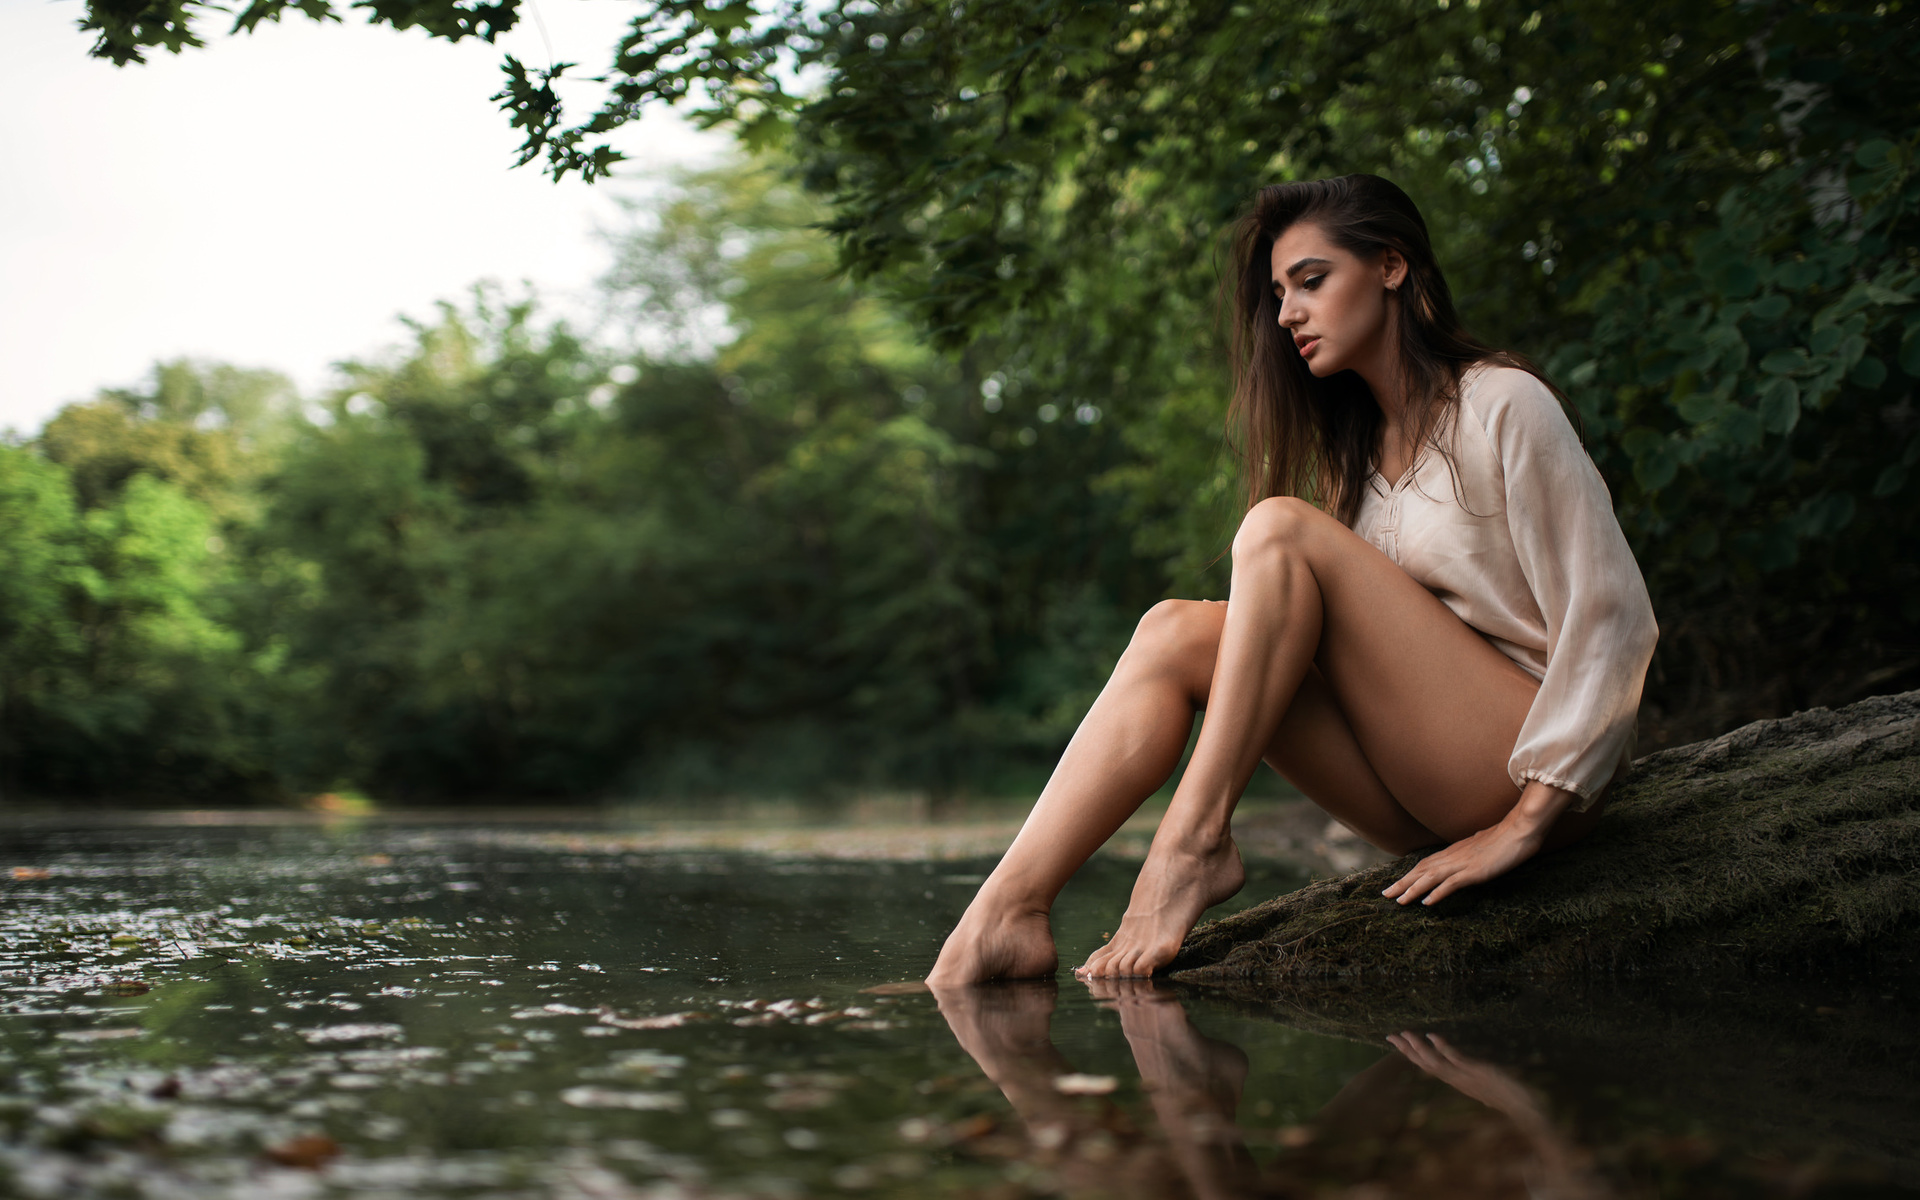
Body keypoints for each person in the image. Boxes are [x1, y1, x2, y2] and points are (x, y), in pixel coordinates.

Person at [926, 173, 1658, 984]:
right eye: (1278, 294)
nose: (1286, 315)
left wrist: (1525, 823)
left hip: (1528, 770)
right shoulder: (1360, 465)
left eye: (1311, 281)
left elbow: (1613, 617)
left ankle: (1191, 843)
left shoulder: (1502, 401)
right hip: (1419, 792)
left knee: (1278, 526)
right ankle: (1005, 912)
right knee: (1175, 631)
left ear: (1391, 266)